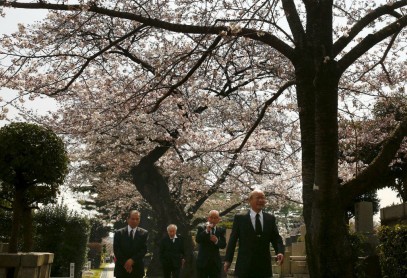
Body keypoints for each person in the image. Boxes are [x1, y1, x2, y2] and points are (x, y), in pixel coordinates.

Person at [224, 189, 285, 278]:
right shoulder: (240, 219)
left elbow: (276, 238)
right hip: (244, 266)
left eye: (263, 198)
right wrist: (228, 260)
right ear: (250, 200)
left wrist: (280, 252)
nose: (261, 200)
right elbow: (232, 240)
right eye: (258, 198)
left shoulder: (270, 219)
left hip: (264, 267)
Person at [113, 210, 148, 278]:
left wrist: (132, 260)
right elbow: (116, 250)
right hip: (121, 268)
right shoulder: (119, 233)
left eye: (137, 219)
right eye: (132, 219)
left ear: (139, 220)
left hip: (137, 269)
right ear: (128, 219)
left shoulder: (144, 233)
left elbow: (144, 250)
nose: (135, 221)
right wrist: (126, 262)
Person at [196, 210, 227, 278]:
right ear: (208, 218)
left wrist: (216, 241)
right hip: (203, 261)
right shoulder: (201, 228)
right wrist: (206, 231)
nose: (213, 220)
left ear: (218, 219)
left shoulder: (221, 230)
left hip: (215, 263)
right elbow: (198, 240)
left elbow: (223, 245)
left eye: (215, 218)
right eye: (211, 217)